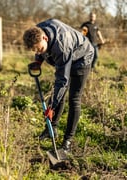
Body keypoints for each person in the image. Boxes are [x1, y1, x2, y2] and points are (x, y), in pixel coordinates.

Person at [23, 18, 94, 152]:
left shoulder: (61, 46)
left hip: (82, 58)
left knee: (74, 98)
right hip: (66, 56)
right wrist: (38, 61)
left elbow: (62, 80)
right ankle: (51, 129)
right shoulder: (37, 32)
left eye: (40, 50)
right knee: (58, 94)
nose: (39, 53)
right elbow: (40, 49)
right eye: (35, 51)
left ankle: (67, 140)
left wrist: (51, 106)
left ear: (45, 38)